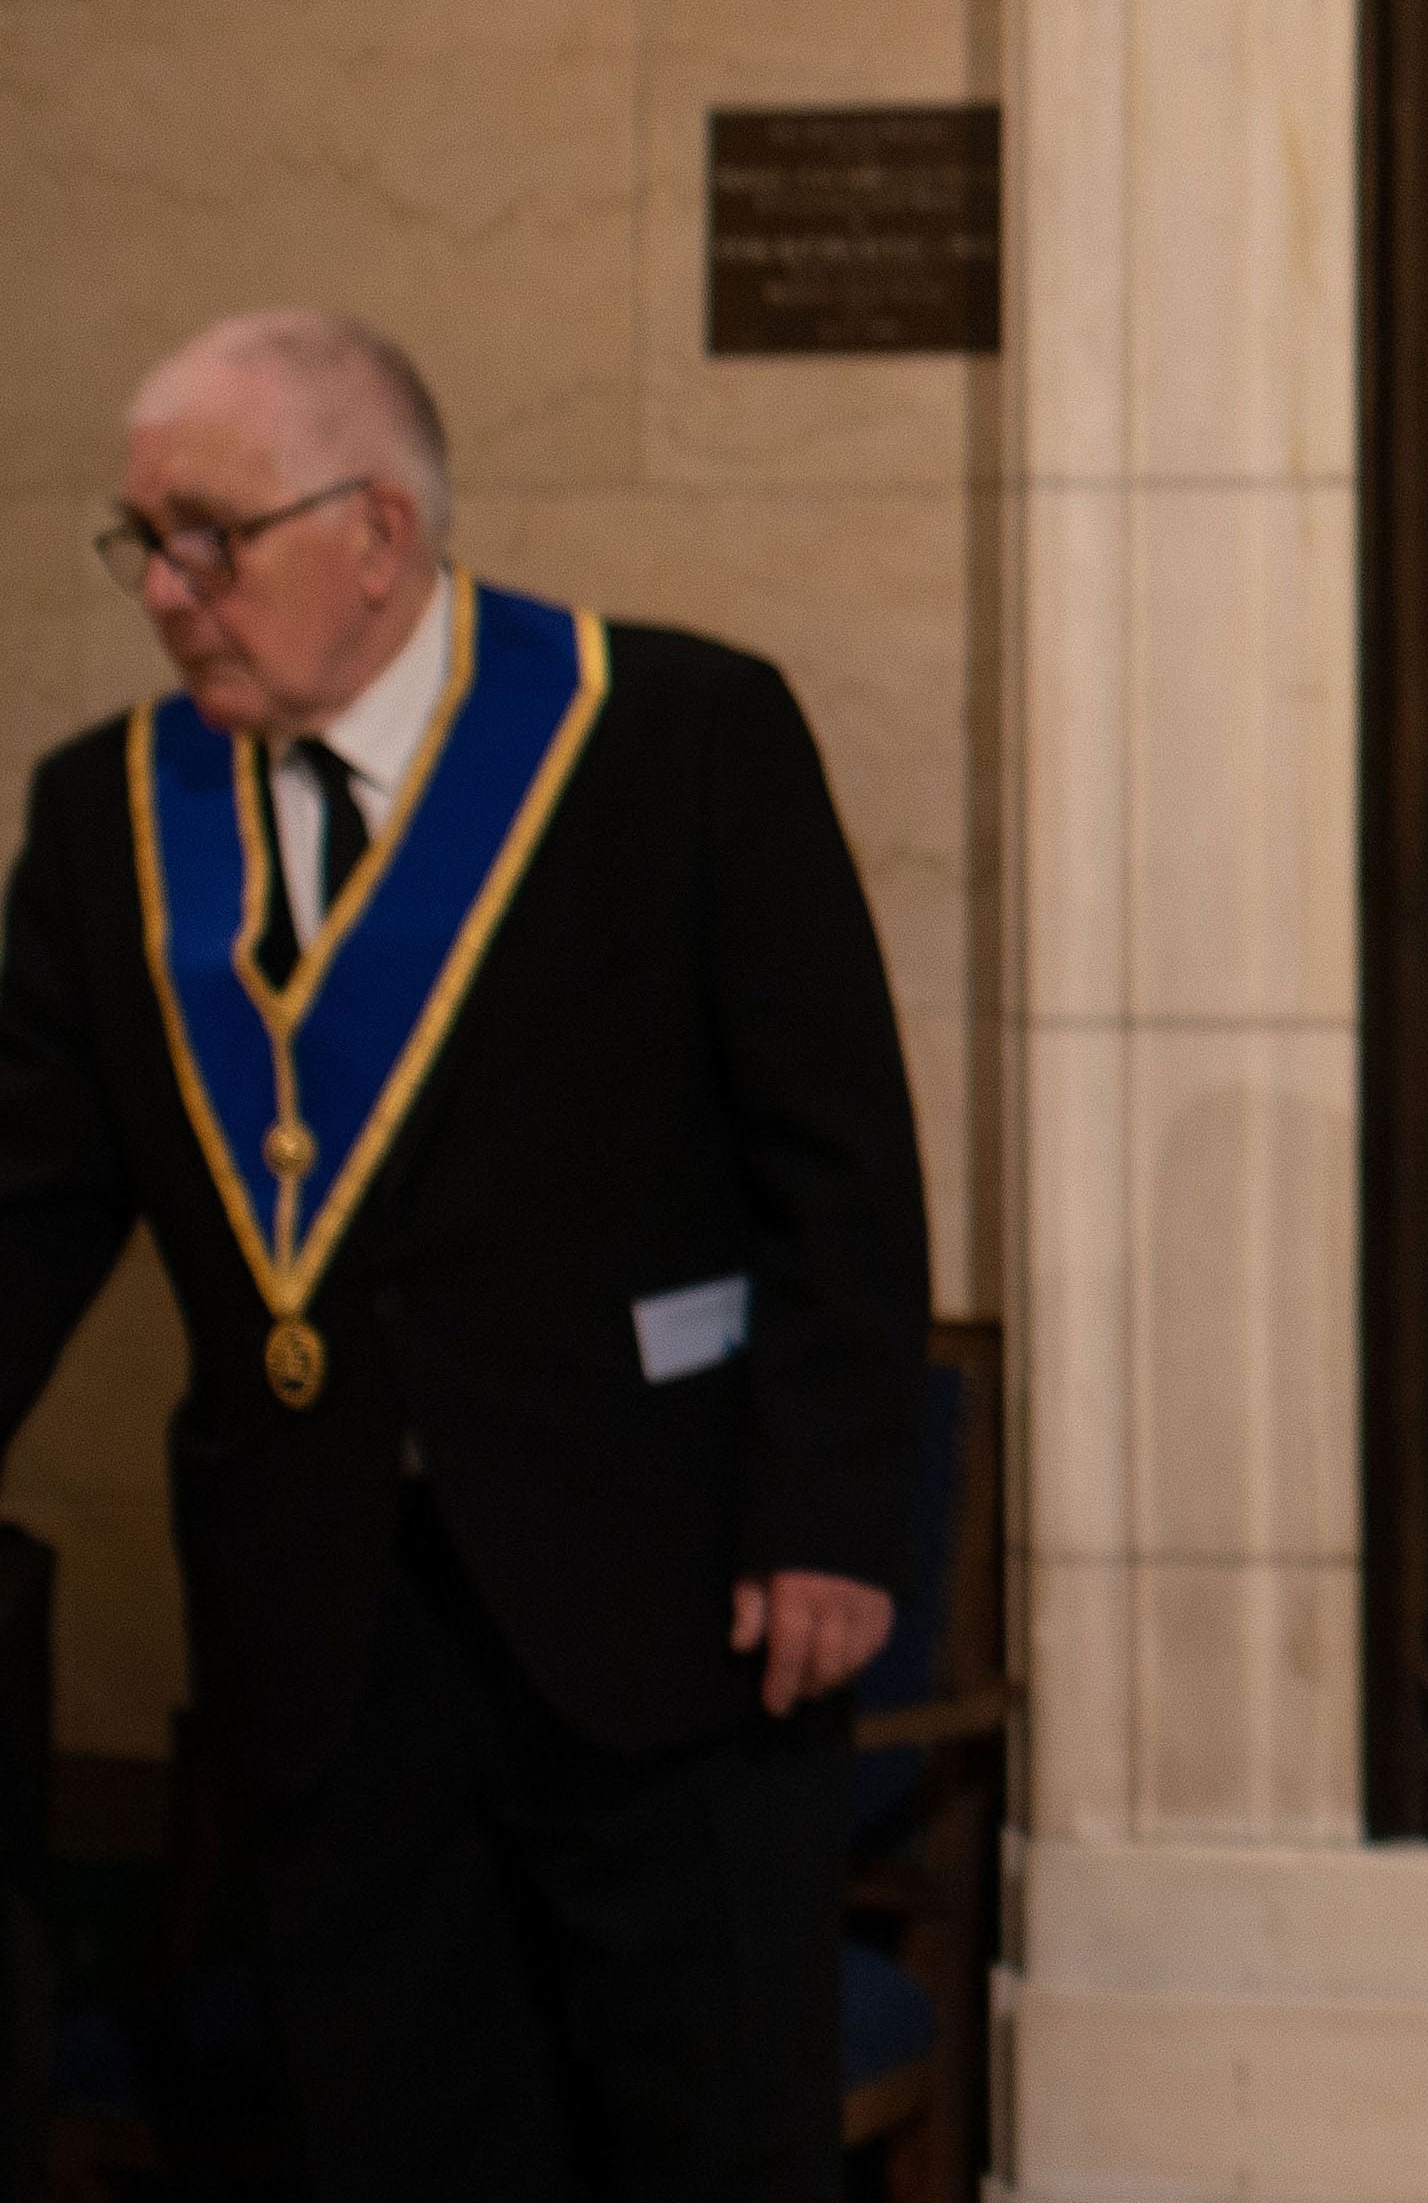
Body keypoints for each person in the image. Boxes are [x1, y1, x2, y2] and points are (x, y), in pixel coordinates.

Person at [0, 311, 934, 2201]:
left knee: (700, 2142)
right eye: (140, 543)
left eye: (209, 536)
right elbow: (25, 1202)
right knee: (399, 2140)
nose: (167, 592)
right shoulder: (104, 817)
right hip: (325, 1618)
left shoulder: (674, 732)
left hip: (674, 1601)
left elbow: (837, 1162)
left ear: (381, 529)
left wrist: (833, 1509)